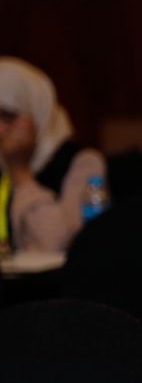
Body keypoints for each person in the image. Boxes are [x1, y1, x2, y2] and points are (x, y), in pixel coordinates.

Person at [0, 58, 107, 254]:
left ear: (36, 111)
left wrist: (20, 172)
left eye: (8, 116)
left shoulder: (83, 162)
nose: (0, 130)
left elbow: (58, 246)